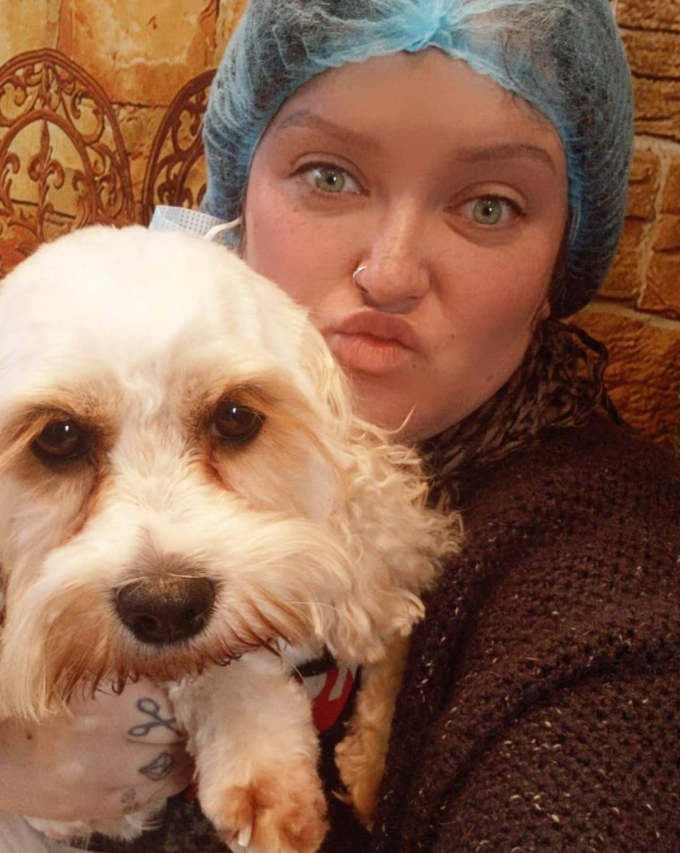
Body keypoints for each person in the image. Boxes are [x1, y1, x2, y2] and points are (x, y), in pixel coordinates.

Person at [2, 0, 680, 851]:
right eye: (329, 175)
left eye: (491, 205)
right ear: (237, 191)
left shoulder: (609, 571)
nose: (390, 272)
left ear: (562, 262)